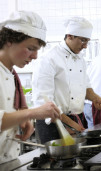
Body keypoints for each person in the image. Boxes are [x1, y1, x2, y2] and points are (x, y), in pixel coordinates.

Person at [32, 16, 101, 144]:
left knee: (79, 157)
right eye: (83, 41)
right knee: (55, 161)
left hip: (76, 119)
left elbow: (85, 85)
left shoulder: (80, 59)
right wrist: (68, 123)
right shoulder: (49, 59)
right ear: (70, 36)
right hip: (53, 122)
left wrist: (95, 98)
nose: (85, 46)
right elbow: (44, 101)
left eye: (87, 41)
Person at [0, 11, 60, 164]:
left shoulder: (11, 73)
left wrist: (20, 118)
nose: (35, 56)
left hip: (8, 160)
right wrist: (31, 113)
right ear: (9, 40)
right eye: (31, 48)